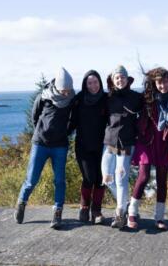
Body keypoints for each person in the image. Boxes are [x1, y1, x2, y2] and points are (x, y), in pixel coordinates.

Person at [14, 67, 75, 229]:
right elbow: (35, 116)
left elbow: (73, 120)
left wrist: (65, 132)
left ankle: (57, 213)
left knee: (60, 180)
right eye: (64, 90)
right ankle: (21, 203)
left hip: (60, 146)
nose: (66, 94)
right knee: (31, 179)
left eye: (69, 90)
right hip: (40, 144)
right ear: (57, 86)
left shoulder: (72, 98)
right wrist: (42, 132)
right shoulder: (44, 96)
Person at [128, 67, 168, 230]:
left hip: (163, 141)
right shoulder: (145, 98)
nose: (163, 85)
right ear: (154, 83)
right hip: (146, 140)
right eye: (160, 82)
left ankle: (159, 217)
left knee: (162, 179)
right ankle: (132, 212)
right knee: (143, 176)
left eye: (165, 82)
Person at [101, 65, 144, 229]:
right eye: (117, 78)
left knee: (120, 179)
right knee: (106, 178)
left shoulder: (136, 97)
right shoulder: (108, 97)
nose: (120, 80)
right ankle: (126, 205)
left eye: (122, 77)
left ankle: (120, 213)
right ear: (113, 80)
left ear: (127, 79)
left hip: (126, 143)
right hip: (109, 143)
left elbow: (146, 112)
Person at [71, 70, 108, 224]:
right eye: (90, 83)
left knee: (100, 179)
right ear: (85, 84)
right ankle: (84, 207)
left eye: (96, 82)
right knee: (88, 177)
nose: (93, 86)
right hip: (83, 146)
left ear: (100, 83)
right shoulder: (79, 99)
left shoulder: (106, 99)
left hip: (102, 146)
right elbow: (71, 121)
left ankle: (96, 210)